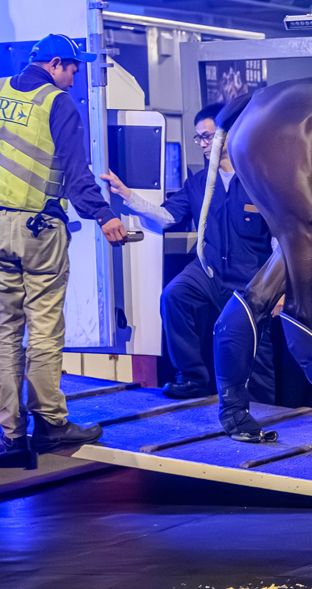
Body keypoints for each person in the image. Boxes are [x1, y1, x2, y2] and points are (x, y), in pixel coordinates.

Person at [0, 34, 127, 455]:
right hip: (39, 229)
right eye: (73, 68)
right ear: (55, 63)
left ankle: (12, 432)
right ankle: (51, 423)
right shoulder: (57, 104)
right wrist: (104, 215)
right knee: (45, 329)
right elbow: (76, 174)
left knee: (5, 330)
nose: (74, 77)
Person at [100, 103, 277, 402]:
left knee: (253, 346)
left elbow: (278, 235)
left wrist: (279, 288)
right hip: (207, 271)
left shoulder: (259, 179)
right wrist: (126, 195)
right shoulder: (197, 183)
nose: (204, 145)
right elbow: (167, 216)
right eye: (200, 139)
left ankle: (264, 406)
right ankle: (192, 377)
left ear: (229, 134)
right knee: (174, 296)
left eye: (208, 137)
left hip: (249, 278)